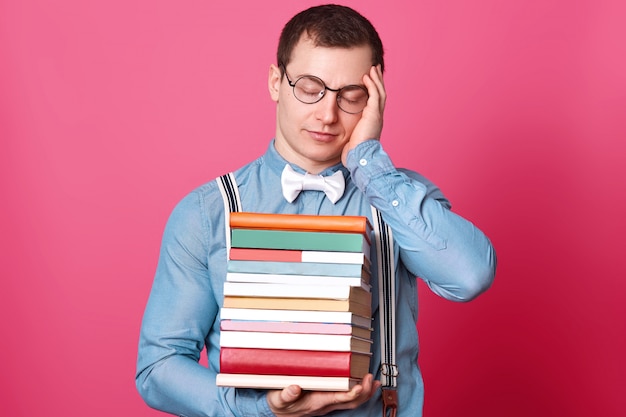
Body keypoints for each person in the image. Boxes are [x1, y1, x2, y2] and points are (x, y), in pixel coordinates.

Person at [136, 4, 496, 416]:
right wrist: (261, 410)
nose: (327, 114)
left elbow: (470, 275)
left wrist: (371, 167)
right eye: (310, 87)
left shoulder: (399, 199)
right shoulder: (207, 213)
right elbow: (158, 369)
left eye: (350, 95)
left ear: (375, 99)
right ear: (276, 82)